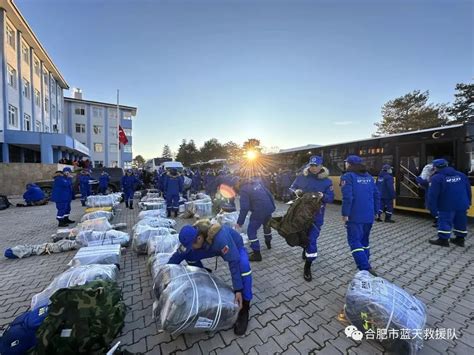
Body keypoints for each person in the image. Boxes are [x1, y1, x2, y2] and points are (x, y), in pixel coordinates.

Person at [168, 221, 252, 335]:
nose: (190, 248)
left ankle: (245, 307)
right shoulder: (191, 236)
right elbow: (178, 255)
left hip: (234, 246)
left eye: (191, 245)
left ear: (198, 238)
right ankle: (203, 275)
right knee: (190, 255)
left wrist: (238, 290)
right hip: (211, 247)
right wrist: (166, 272)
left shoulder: (221, 237)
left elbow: (233, 262)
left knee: (244, 266)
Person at [290, 155, 334, 281]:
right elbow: (292, 188)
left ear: (321, 166)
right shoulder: (301, 177)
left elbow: (330, 198)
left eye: (316, 165)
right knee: (303, 237)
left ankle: (307, 266)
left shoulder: (327, 181)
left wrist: (322, 195)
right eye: (311, 165)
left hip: (317, 216)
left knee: (311, 240)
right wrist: (296, 191)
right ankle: (305, 249)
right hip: (301, 214)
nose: (313, 168)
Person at [341, 155, 380, 276]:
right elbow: (376, 194)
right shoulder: (368, 176)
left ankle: (365, 268)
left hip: (355, 215)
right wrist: (376, 211)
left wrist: (345, 213)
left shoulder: (348, 176)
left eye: (346, 163)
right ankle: (365, 261)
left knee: (354, 241)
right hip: (369, 215)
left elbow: (348, 197)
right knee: (365, 241)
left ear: (349, 164)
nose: (345, 165)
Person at [428, 159, 471, 247]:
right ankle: (460, 239)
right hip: (462, 203)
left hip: (446, 204)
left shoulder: (436, 178)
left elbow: (433, 195)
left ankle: (443, 240)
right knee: (461, 221)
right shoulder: (461, 175)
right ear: (447, 165)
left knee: (445, 221)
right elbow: (468, 190)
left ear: (435, 168)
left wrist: (432, 208)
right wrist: (468, 201)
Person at [234, 175, 275, 261]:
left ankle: (257, 254)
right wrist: (273, 207)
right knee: (267, 226)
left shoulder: (244, 189)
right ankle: (268, 243)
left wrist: (239, 222)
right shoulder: (257, 183)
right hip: (268, 208)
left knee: (251, 231)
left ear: (237, 183)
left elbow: (244, 208)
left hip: (259, 211)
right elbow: (269, 194)